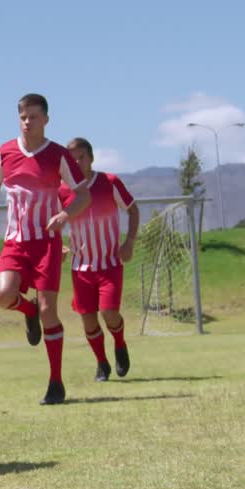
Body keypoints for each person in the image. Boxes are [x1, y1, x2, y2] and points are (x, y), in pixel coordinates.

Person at [0, 94, 90, 405]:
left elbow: (83, 195)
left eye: (33, 117)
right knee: (3, 295)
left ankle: (56, 382)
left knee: (48, 311)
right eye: (23, 117)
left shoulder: (58, 155)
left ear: (46, 120)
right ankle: (27, 312)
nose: (27, 122)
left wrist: (65, 215)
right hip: (15, 241)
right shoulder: (6, 151)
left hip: (46, 243)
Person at [60, 137, 139, 381]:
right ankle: (102, 363)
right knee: (88, 320)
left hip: (110, 264)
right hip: (81, 267)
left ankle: (120, 344)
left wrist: (129, 242)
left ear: (91, 158)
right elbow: (52, 222)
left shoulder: (109, 182)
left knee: (109, 313)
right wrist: (58, 246)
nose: (77, 162)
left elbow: (133, 210)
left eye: (81, 157)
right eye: (72, 159)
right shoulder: (62, 190)